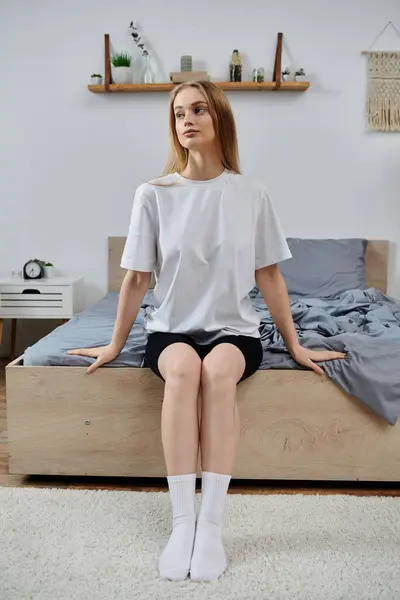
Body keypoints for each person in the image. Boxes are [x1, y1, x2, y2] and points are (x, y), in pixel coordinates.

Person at [68, 81, 345, 582]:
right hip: (171, 328)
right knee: (182, 370)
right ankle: (182, 523)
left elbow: (269, 275)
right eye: (178, 114)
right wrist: (114, 344)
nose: (187, 120)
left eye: (198, 109)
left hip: (235, 330)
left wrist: (296, 343)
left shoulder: (250, 192)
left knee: (216, 373)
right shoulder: (153, 195)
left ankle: (211, 525)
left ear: (219, 118)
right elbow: (135, 278)